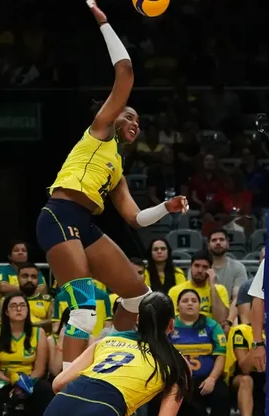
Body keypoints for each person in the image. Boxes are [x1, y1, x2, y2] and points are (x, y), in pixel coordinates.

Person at [35, 0, 187, 370]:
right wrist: (104, 22)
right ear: (113, 116)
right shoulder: (99, 131)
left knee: (139, 299)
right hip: (59, 216)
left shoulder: (116, 166)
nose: (135, 123)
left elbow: (135, 219)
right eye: (129, 116)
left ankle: (108, 353)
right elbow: (126, 72)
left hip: (85, 224)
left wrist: (166, 208)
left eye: (138, 122)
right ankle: (67, 385)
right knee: (84, 308)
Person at [37, 292, 196, 416]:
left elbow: (58, 384)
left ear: (138, 319)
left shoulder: (107, 341)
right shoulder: (177, 364)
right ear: (171, 324)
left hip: (56, 412)